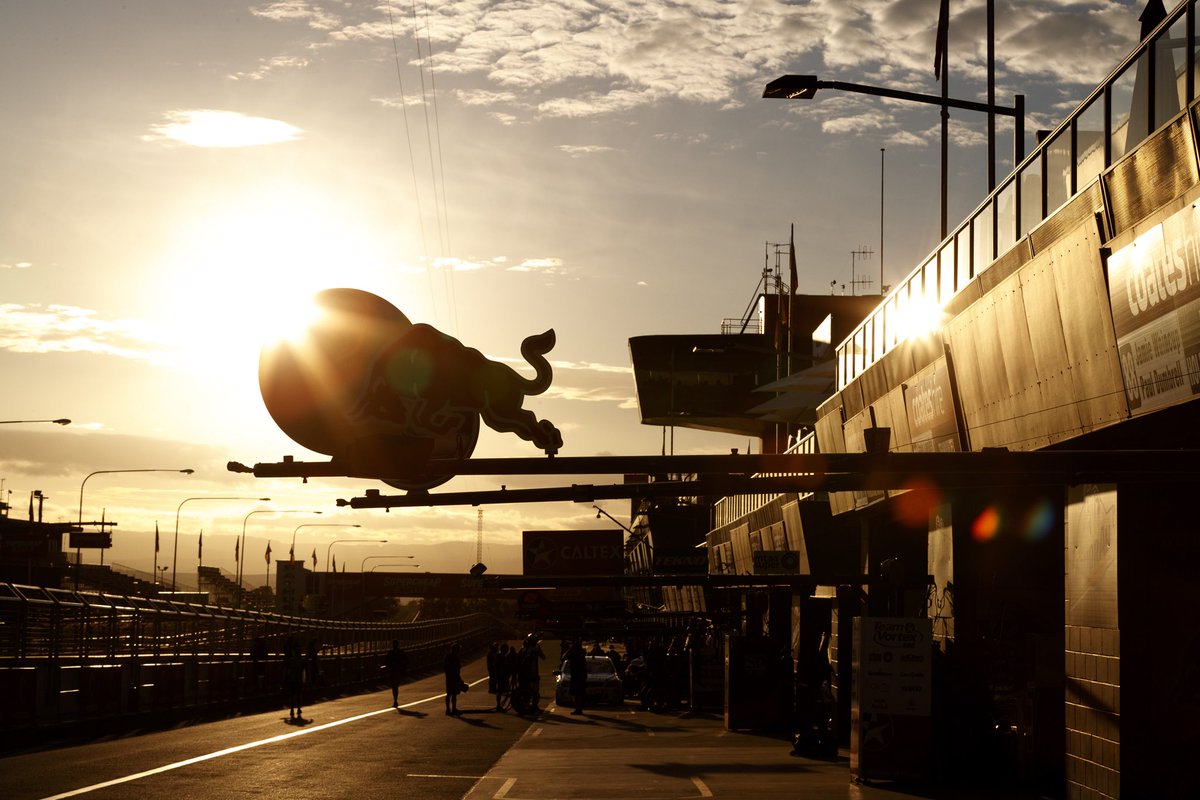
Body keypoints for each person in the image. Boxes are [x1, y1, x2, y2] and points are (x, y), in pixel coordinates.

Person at [282, 636, 305, 722]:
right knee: (299, 695)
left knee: (291, 695)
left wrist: (284, 679)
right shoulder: (302, 661)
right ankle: (298, 708)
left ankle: (291, 709)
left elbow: (287, 670)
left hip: (291, 679)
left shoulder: (291, 661)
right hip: (299, 680)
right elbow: (305, 670)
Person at [384, 640, 409, 708]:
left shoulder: (390, 653)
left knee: (394, 686)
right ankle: (395, 700)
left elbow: (386, 662)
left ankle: (395, 700)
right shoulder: (401, 652)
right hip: (397, 671)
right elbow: (407, 660)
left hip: (394, 671)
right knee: (395, 686)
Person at [567, 639, 588, 715]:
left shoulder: (574, 654)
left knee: (577, 694)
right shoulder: (582, 654)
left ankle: (578, 709)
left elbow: (563, 657)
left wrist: (570, 650)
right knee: (578, 694)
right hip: (580, 676)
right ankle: (579, 709)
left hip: (576, 676)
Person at [443, 642, 464, 716]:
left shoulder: (452, 656)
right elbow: (447, 668)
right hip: (452, 677)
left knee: (452, 694)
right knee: (451, 694)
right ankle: (450, 709)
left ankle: (451, 709)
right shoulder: (450, 657)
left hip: (451, 677)